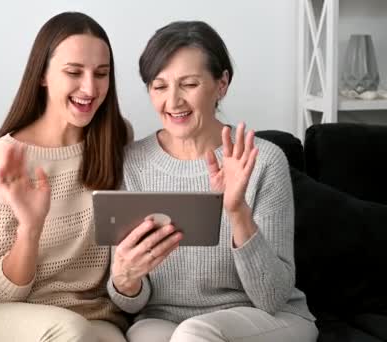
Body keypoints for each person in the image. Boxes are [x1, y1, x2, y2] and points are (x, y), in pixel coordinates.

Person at [107, 20, 319, 342]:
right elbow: (131, 301)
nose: (173, 101)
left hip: (263, 318)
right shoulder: (130, 164)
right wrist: (124, 277)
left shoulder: (263, 159)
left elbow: (271, 297)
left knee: (195, 333)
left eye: (189, 84)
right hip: (164, 319)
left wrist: (237, 211)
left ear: (221, 84)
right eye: (159, 86)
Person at [0, 11, 131, 342]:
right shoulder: (4, 156)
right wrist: (31, 227)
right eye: (73, 72)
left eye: (101, 73)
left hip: (89, 312)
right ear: (42, 76)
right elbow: (2, 292)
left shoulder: (117, 142)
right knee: (71, 332)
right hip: (2, 307)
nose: (90, 87)